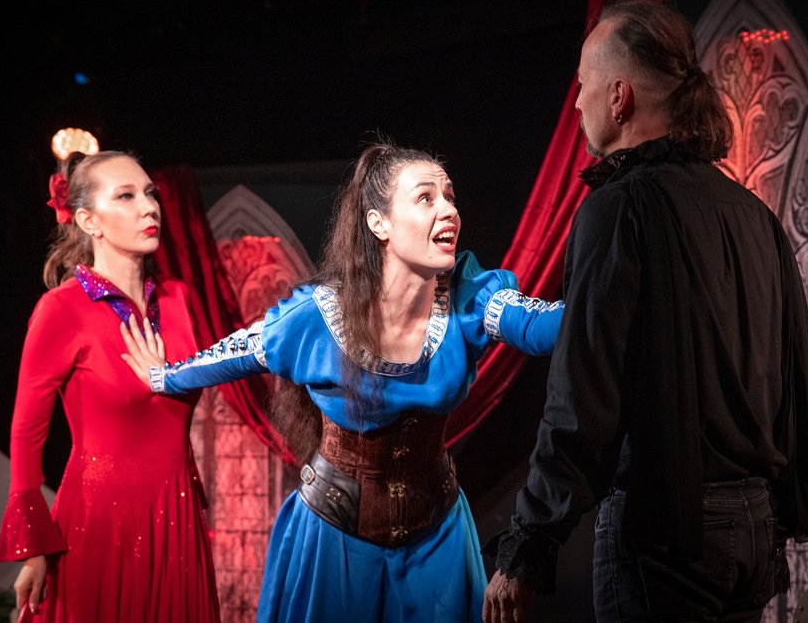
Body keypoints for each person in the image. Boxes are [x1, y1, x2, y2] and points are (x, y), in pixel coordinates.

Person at [482, 0, 808, 622]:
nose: (577, 103)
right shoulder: (753, 215)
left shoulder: (618, 209)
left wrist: (529, 545)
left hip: (665, 537)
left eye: (583, 85)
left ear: (619, 97)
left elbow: (583, 397)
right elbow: (788, 387)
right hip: (753, 533)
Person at [120, 137, 565, 623]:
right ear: (379, 223)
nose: (449, 210)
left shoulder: (470, 298)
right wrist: (163, 376)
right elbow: (237, 353)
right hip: (335, 540)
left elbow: (543, 325)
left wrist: (610, 300)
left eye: (450, 196)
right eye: (425, 197)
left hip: (437, 537)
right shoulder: (320, 316)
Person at [0, 150, 221, 622]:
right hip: (99, 524)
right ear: (88, 221)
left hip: (176, 519)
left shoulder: (178, 298)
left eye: (150, 194)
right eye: (126, 196)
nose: (149, 207)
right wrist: (33, 548)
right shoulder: (62, 309)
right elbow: (26, 433)